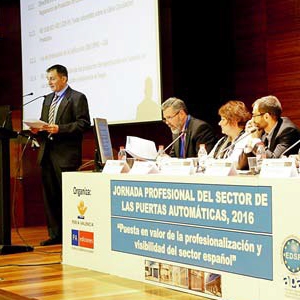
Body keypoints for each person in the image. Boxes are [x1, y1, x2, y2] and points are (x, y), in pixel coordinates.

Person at [30, 64, 91, 246]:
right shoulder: (47, 99)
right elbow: (45, 125)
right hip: (47, 153)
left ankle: (70, 234)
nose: (49, 82)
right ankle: (55, 235)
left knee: (67, 197)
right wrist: (37, 129)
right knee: (51, 196)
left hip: (66, 155)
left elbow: (83, 124)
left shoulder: (77, 98)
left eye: (53, 78)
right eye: (48, 79)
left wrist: (60, 129)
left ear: (64, 78)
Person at [238, 95, 300, 169]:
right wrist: (250, 141)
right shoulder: (260, 131)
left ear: (266, 117)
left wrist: (256, 141)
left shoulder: (288, 130)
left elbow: (274, 162)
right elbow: (241, 166)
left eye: (254, 115)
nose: (252, 120)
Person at [209, 100, 251, 169]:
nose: (219, 123)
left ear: (234, 121)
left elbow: (234, 164)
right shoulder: (223, 140)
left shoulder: (246, 138)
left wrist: (214, 163)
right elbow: (207, 160)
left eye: (223, 120)